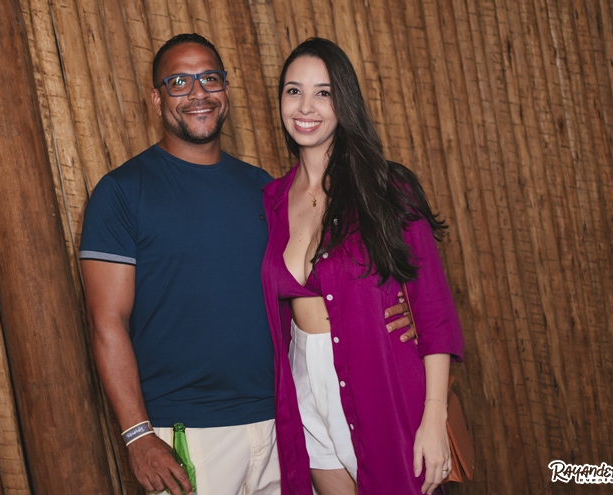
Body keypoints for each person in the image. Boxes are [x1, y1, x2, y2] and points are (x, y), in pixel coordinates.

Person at [79, 33, 415, 495]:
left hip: (284, 424)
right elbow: (107, 322)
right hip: (187, 434)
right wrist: (138, 435)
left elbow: (315, 284)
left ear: (226, 90)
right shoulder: (121, 192)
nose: (198, 93)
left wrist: (398, 313)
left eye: (209, 79)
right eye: (179, 82)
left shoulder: (268, 191)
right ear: (156, 100)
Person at [261, 38, 465, 495]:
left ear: (345, 102)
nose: (305, 106)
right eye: (294, 91)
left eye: (323, 92)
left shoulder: (388, 189)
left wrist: (434, 417)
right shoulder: (271, 200)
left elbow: (434, 313)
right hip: (304, 391)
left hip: (380, 384)